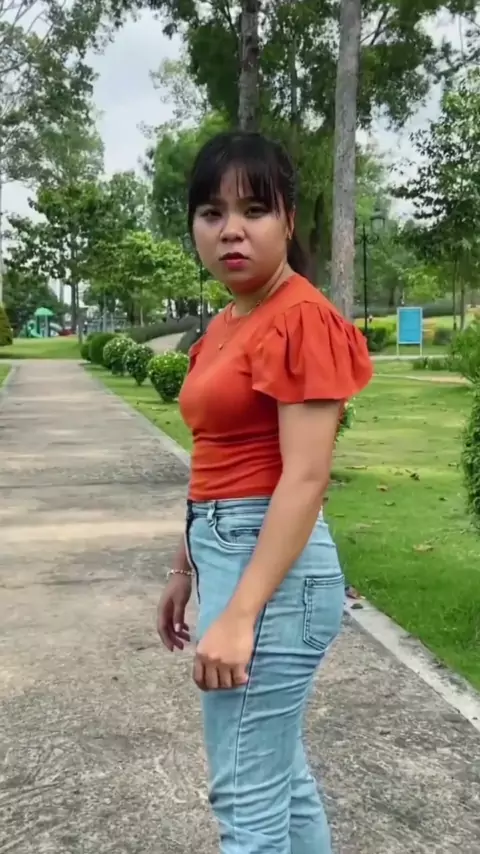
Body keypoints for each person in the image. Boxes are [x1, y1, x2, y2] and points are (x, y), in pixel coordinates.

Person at [157, 130, 372, 854]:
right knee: (280, 783)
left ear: (288, 220)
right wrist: (185, 566)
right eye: (211, 213)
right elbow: (215, 455)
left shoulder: (300, 317)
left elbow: (305, 477)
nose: (232, 230)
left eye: (255, 209)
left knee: (246, 804)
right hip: (228, 552)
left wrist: (241, 613)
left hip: (272, 575)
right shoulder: (228, 321)